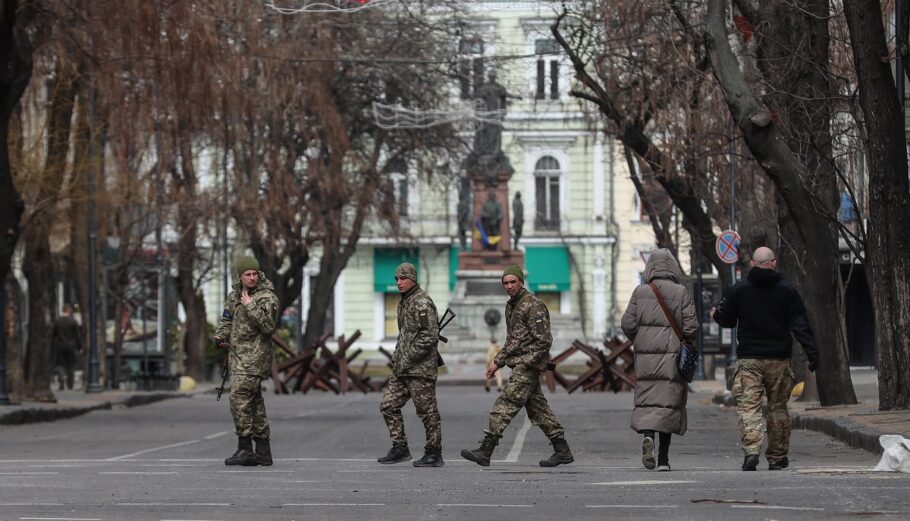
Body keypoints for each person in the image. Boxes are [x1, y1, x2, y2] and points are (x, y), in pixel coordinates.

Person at [712, 246, 819, 472]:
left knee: (749, 408)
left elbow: (726, 320)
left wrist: (717, 313)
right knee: (778, 408)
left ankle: (751, 452)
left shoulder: (738, 289)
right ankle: (777, 457)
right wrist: (813, 353)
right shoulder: (787, 290)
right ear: (773, 263)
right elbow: (800, 325)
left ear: (752, 264)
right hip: (779, 360)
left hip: (749, 360)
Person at [461, 265, 573, 467]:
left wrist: (526, 363)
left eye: (513, 282)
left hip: (527, 367)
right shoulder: (512, 305)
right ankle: (562, 450)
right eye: (505, 283)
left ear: (521, 282)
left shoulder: (533, 305)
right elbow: (513, 340)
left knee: (505, 404)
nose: (509, 286)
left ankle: (485, 451)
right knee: (539, 410)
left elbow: (544, 341)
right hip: (520, 364)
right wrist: (497, 362)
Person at [621, 249, 696, 472]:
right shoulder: (681, 292)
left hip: (645, 358)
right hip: (671, 358)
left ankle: (648, 438)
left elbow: (627, 324)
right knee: (667, 405)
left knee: (647, 402)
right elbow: (691, 326)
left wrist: (641, 338)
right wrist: (684, 339)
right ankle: (663, 460)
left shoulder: (640, 292)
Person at [213, 256, 279, 467]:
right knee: (255, 403)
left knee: (239, 397)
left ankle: (245, 448)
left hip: (255, 358)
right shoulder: (234, 296)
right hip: (238, 357)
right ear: (240, 276)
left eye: (254, 274)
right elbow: (226, 320)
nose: (252, 278)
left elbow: (268, 326)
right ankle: (262, 451)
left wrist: (250, 305)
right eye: (247, 274)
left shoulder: (267, 297)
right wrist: (220, 336)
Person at [378, 262, 444, 467]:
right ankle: (400, 448)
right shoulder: (405, 302)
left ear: (413, 279)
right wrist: (398, 356)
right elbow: (405, 334)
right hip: (403, 368)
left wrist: (407, 358)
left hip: (420, 369)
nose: (399, 282)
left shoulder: (421, 303)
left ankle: (434, 452)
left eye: (403, 278)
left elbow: (429, 337)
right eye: (397, 278)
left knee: (427, 411)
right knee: (388, 405)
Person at [51, 303, 83, 391]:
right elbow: (77, 335)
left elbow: (53, 334)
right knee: (71, 365)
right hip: (71, 346)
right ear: (69, 310)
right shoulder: (73, 322)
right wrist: (80, 346)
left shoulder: (58, 321)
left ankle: (61, 378)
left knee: (61, 364)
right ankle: (70, 384)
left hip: (60, 346)